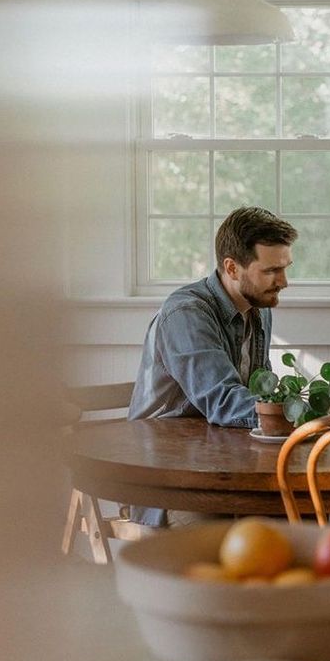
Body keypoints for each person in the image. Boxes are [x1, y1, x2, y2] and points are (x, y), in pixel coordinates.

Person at [127, 206, 298, 525]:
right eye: (271, 270)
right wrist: (314, 415)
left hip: (232, 469)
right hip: (171, 483)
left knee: (327, 507)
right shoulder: (187, 314)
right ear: (232, 268)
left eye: (286, 268)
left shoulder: (259, 309)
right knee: (246, 533)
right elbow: (226, 403)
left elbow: (261, 396)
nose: (284, 281)